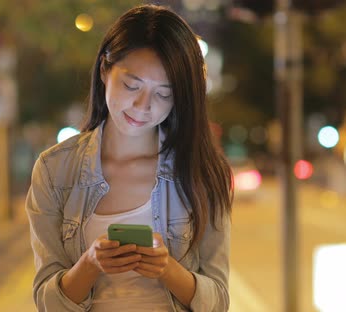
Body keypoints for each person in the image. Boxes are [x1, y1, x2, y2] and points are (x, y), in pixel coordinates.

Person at [25, 4, 233, 312]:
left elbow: (218, 301)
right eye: (131, 85)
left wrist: (168, 270)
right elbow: (47, 301)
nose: (142, 105)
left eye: (164, 94)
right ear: (105, 70)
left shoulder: (202, 172)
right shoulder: (55, 170)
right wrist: (90, 264)